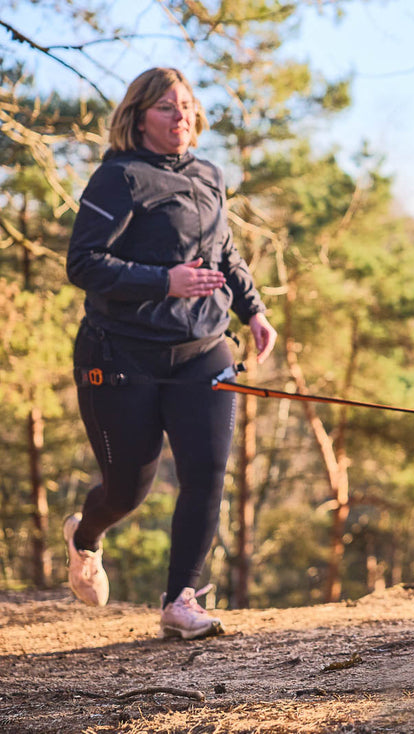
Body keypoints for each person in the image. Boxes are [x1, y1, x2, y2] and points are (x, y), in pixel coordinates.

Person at [64, 67, 277, 640]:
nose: (180, 115)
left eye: (185, 105)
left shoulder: (209, 174)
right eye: (165, 107)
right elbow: (83, 263)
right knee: (126, 491)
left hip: (204, 350)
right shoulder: (118, 177)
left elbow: (224, 251)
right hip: (122, 355)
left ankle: (180, 600)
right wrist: (164, 282)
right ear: (138, 118)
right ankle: (84, 536)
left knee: (205, 475)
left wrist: (254, 311)